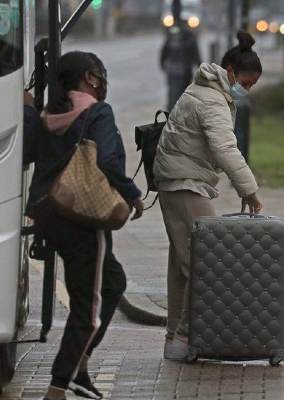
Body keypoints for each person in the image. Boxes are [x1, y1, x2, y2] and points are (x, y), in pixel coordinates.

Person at [26, 51, 144, 400]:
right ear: (91, 78)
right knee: (87, 303)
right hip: (80, 215)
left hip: (47, 211)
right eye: (99, 74)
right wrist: (132, 195)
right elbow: (107, 158)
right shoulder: (97, 111)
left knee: (113, 281)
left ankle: (80, 366)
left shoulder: (48, 112)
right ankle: (59, 386)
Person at [154, 31, 263, 360]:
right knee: (208, 262)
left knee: (183, 265)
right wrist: (250, 190)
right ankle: (186, 336)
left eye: (252, 85)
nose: (247, 90)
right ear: (229, 72)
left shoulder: (205, 89)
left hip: (178, 180)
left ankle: (176, 339)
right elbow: (225, 147)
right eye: (245, 82)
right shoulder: (212, 100)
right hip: (183, 183)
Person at [160, 18, 202, 110]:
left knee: (172, 93)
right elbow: (196, 54)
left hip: (172, 71)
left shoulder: (172, 35)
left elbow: (164, 51)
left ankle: (171, 112)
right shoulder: (190, 35)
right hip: (185, 70)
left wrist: (163, 65)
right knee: (184, 93)